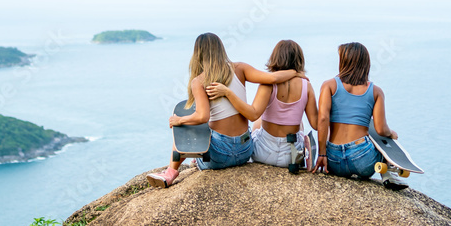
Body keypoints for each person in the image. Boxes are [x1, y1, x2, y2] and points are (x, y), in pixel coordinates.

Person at [147, 32, 306, 188]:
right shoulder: (241, 68)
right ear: (221, 49)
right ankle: (196, 158)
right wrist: (295, 72)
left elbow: (202, 116)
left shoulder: (199, 81)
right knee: (259, 118)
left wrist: (179, 120)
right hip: (244, 152)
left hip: (219, 157)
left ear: (198, 54)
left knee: (185, 121)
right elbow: (272, 78)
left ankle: (170, 172)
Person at [206, 39, 318, 170]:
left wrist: (228, 93)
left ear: (275, 57)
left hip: (263, 154)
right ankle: (301, 151)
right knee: (300, 124)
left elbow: (252, 114)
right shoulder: (307, 86)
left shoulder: (268, 84)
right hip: (290, 157)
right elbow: (315, 124)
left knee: (259, 119)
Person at [313, 42, 407, 190]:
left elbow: (323, 119)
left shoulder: (329, 85)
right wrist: (392, 134)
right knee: (383, 145)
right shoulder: (376, 91)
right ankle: (389, 174)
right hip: (363, 159)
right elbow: (381, 129)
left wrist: (322, 154)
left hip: (334, 160)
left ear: (344, 62)